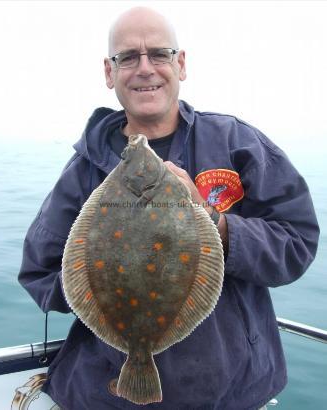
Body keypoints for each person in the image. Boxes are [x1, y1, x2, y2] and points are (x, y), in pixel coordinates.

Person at [18, 6, 319, 410]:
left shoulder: (236, 143)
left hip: (230, 393)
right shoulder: (83, 172)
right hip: (107, 397)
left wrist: (216, 225)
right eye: (127, 57)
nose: (145, 68)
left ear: (180, 64)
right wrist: (101, 284)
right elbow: (39, 271)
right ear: (110, 73)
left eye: (158, 54)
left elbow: (297, 242)